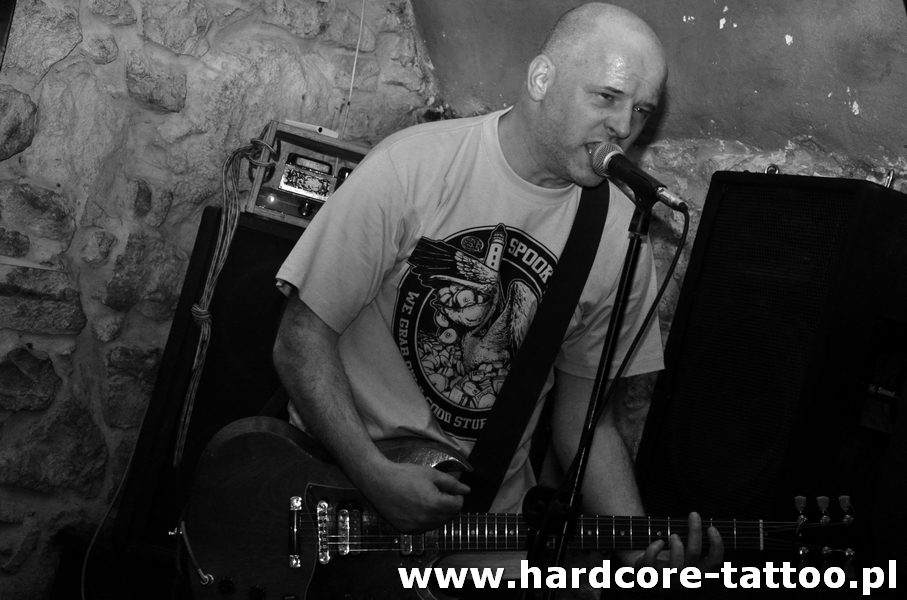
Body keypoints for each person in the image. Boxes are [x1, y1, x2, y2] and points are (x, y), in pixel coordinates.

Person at [273, 0, 723, 578]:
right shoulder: (412, 167)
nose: (623, 126)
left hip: (486, 525)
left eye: (640, 109)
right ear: (541, 79)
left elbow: (586, 425)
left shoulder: (620, 238)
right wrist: (373, 474)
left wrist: (639, 550)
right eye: (606, 97)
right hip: (344, 487)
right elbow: (300, 340)